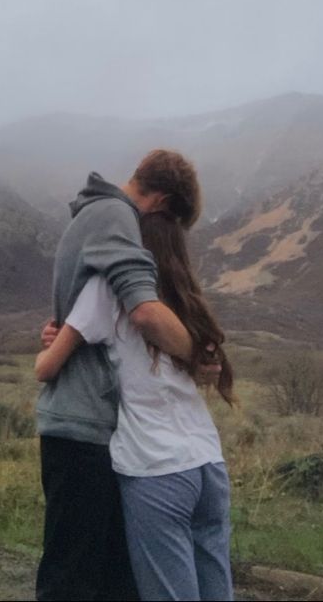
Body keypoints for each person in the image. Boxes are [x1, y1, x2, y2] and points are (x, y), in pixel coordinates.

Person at [36, 200, 235, 602]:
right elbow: (208, 365)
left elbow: (47, 368)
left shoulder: (107, 287)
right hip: (209, 464)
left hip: (156, 468)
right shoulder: (186, 303)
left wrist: (53, 346)